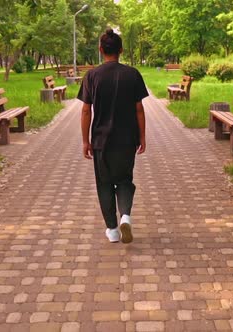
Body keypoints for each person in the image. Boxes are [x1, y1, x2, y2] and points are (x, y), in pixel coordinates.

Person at [78, 28, 149, 244]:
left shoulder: (92, 76)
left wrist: (85, 141)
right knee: (125, 180)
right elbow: (139, 109)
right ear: (121, 50)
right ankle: (125, 216)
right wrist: (142, 137)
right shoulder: (132, 74)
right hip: (127, 140)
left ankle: (112, 230)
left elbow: (85, 110)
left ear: (101, 50)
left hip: (101, 141)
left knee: (105, 184)